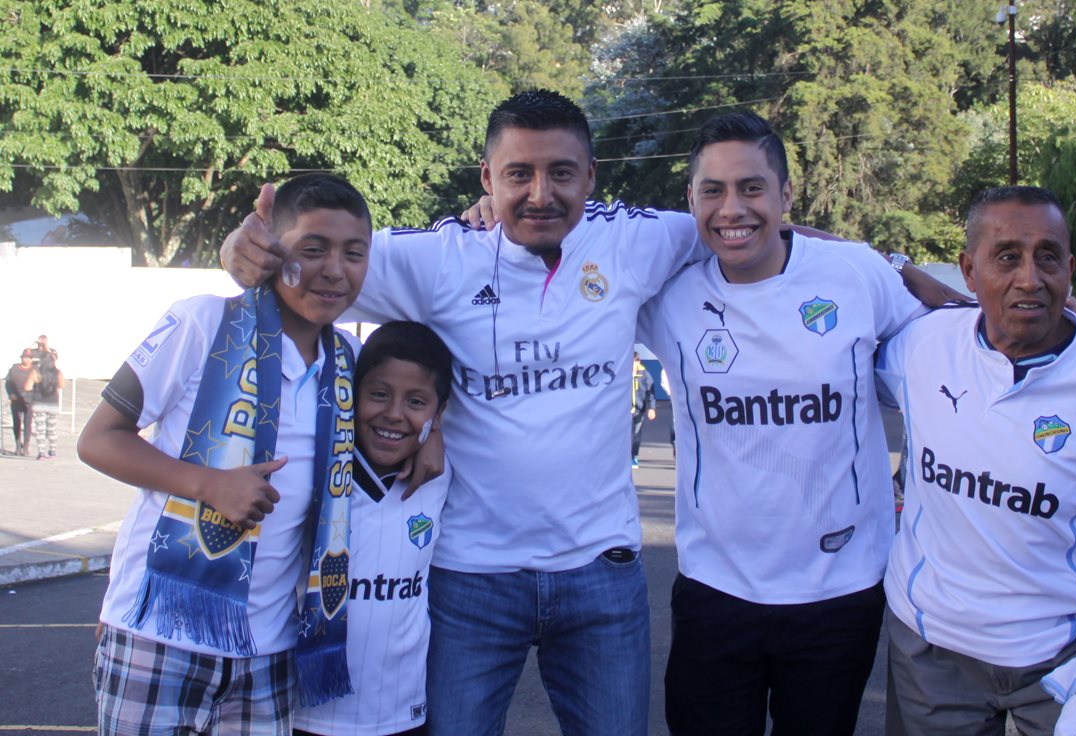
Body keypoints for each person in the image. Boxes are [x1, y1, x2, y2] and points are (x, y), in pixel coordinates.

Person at [220, 89, 707, 735]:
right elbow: (311, 263)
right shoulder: (441, 256)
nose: (540, 194)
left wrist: (852, 257)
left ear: (591, 175)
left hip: (601, 573)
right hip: (470, 577)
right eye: (518, 174)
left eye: (561, 173)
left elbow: (744, 229)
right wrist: (238, 252)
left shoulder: (637, 239)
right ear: (486, 178)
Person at [637, 111, 926, 735]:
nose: (732, 208)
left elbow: (948, 345)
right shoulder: (666, 294)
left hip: (839, 592)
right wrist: (487, 211)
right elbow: (569, 257)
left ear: (786, 194)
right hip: (716, 588)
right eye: (713, 190)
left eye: (752, 188)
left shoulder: (854, 274)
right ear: (691, 199)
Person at [874, 185, 1076, 736]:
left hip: (1068, 654)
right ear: (969, 270)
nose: (1030, 278)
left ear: (1069, 270)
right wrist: (892, 263)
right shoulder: (923, 344)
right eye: (1006, 257)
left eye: (1047, 257)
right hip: (930, 652)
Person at [79, 173, 372, 735]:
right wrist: (209, 485)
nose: (335, 270)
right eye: (313, 249)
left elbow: (411, 403)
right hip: (159, 635)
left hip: (270, 651)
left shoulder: (351, 361)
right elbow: (98, 439)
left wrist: (431, 436)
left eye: (353, 253)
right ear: (272, 248)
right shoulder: (203, 321)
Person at [294, 320, 453, 736]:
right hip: (304, 713)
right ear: (353, 393)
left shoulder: (441, 475)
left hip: (401, 712)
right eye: (379, 394)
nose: (394, 414)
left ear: (438, 414)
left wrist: (434, 433)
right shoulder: (317, 468)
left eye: (415, 402)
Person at [25, 347, 63, 460]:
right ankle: (52, 452)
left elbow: (27, 387)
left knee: (40, 429)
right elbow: (62, 385)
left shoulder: (36, 371)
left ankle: (41, 453)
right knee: (52, 428)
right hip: (53, 403)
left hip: (39, 403)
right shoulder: (58, 372)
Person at [5, 348, 35, 456]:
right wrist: (10, 394)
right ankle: (18, 445)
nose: (26, 359)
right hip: (16, 400)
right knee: (16, 423)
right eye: (24, 357)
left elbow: (38, 385)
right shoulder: (14, 369)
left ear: (31, 359)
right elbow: (8, 383)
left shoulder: (34, 370)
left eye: (28, 358)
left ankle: (26, 447)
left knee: (27, 424)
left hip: (28, 401)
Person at [631, 351, 656, 468]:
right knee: (625, 436)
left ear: (638, 362)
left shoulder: (645, 374)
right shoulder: (623, 374)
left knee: (636, 435)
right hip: (624, 411)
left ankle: (634, 456)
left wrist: (652, 408)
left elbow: (651, 392)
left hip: (639, 410)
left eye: (634, 363)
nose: (632, 366)